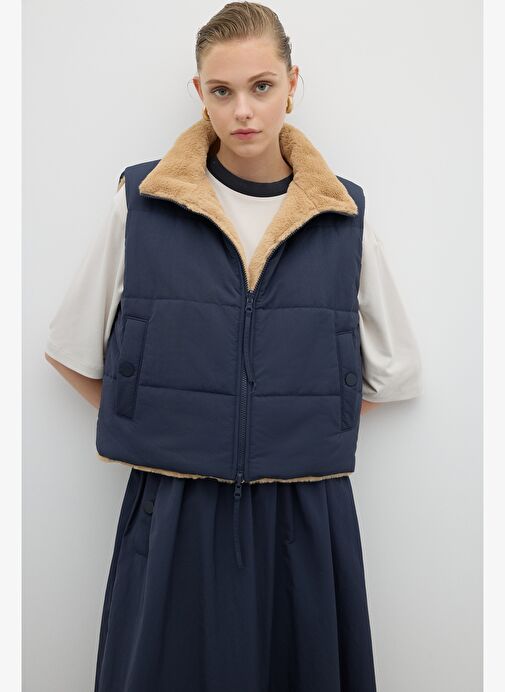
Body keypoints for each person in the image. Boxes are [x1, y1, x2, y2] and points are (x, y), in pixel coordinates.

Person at [45, 3, 422, 691]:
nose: (242, 110)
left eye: (261, 86)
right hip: (173, 506)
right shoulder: (143, 202)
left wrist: (284, 429)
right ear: (200, 92)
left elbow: (393, 370)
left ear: (292, 84)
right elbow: (71, 349)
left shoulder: (342, 214)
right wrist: (173, 426)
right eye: (222, 90)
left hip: (302, 509)